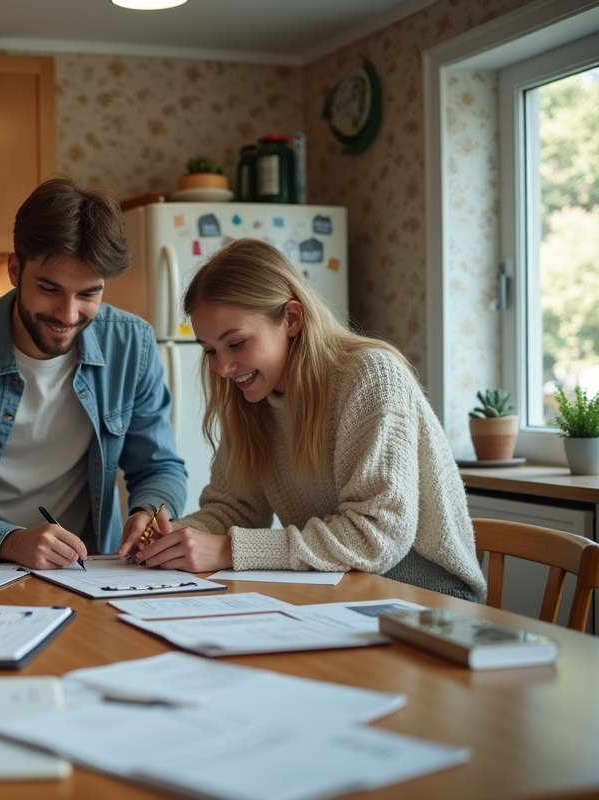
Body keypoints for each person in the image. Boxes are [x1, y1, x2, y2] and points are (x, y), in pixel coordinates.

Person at [119, 238, 486, 601]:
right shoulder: (251, 397)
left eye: (236, 343)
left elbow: (376, 536)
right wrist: (169, 538)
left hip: (426, 598)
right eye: (210, 351)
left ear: (291, 319)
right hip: (342, 592)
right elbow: (235, 509)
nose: (223, 368)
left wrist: (229, 550)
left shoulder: (371, 376)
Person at [0, 175, 188, 570]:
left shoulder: (131, 344)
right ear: (14, 269)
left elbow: (161, 468)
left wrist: (149, 510)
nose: (68, 314)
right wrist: (9, 541)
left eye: (88, 293)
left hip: (86, 573)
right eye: (50, 289)